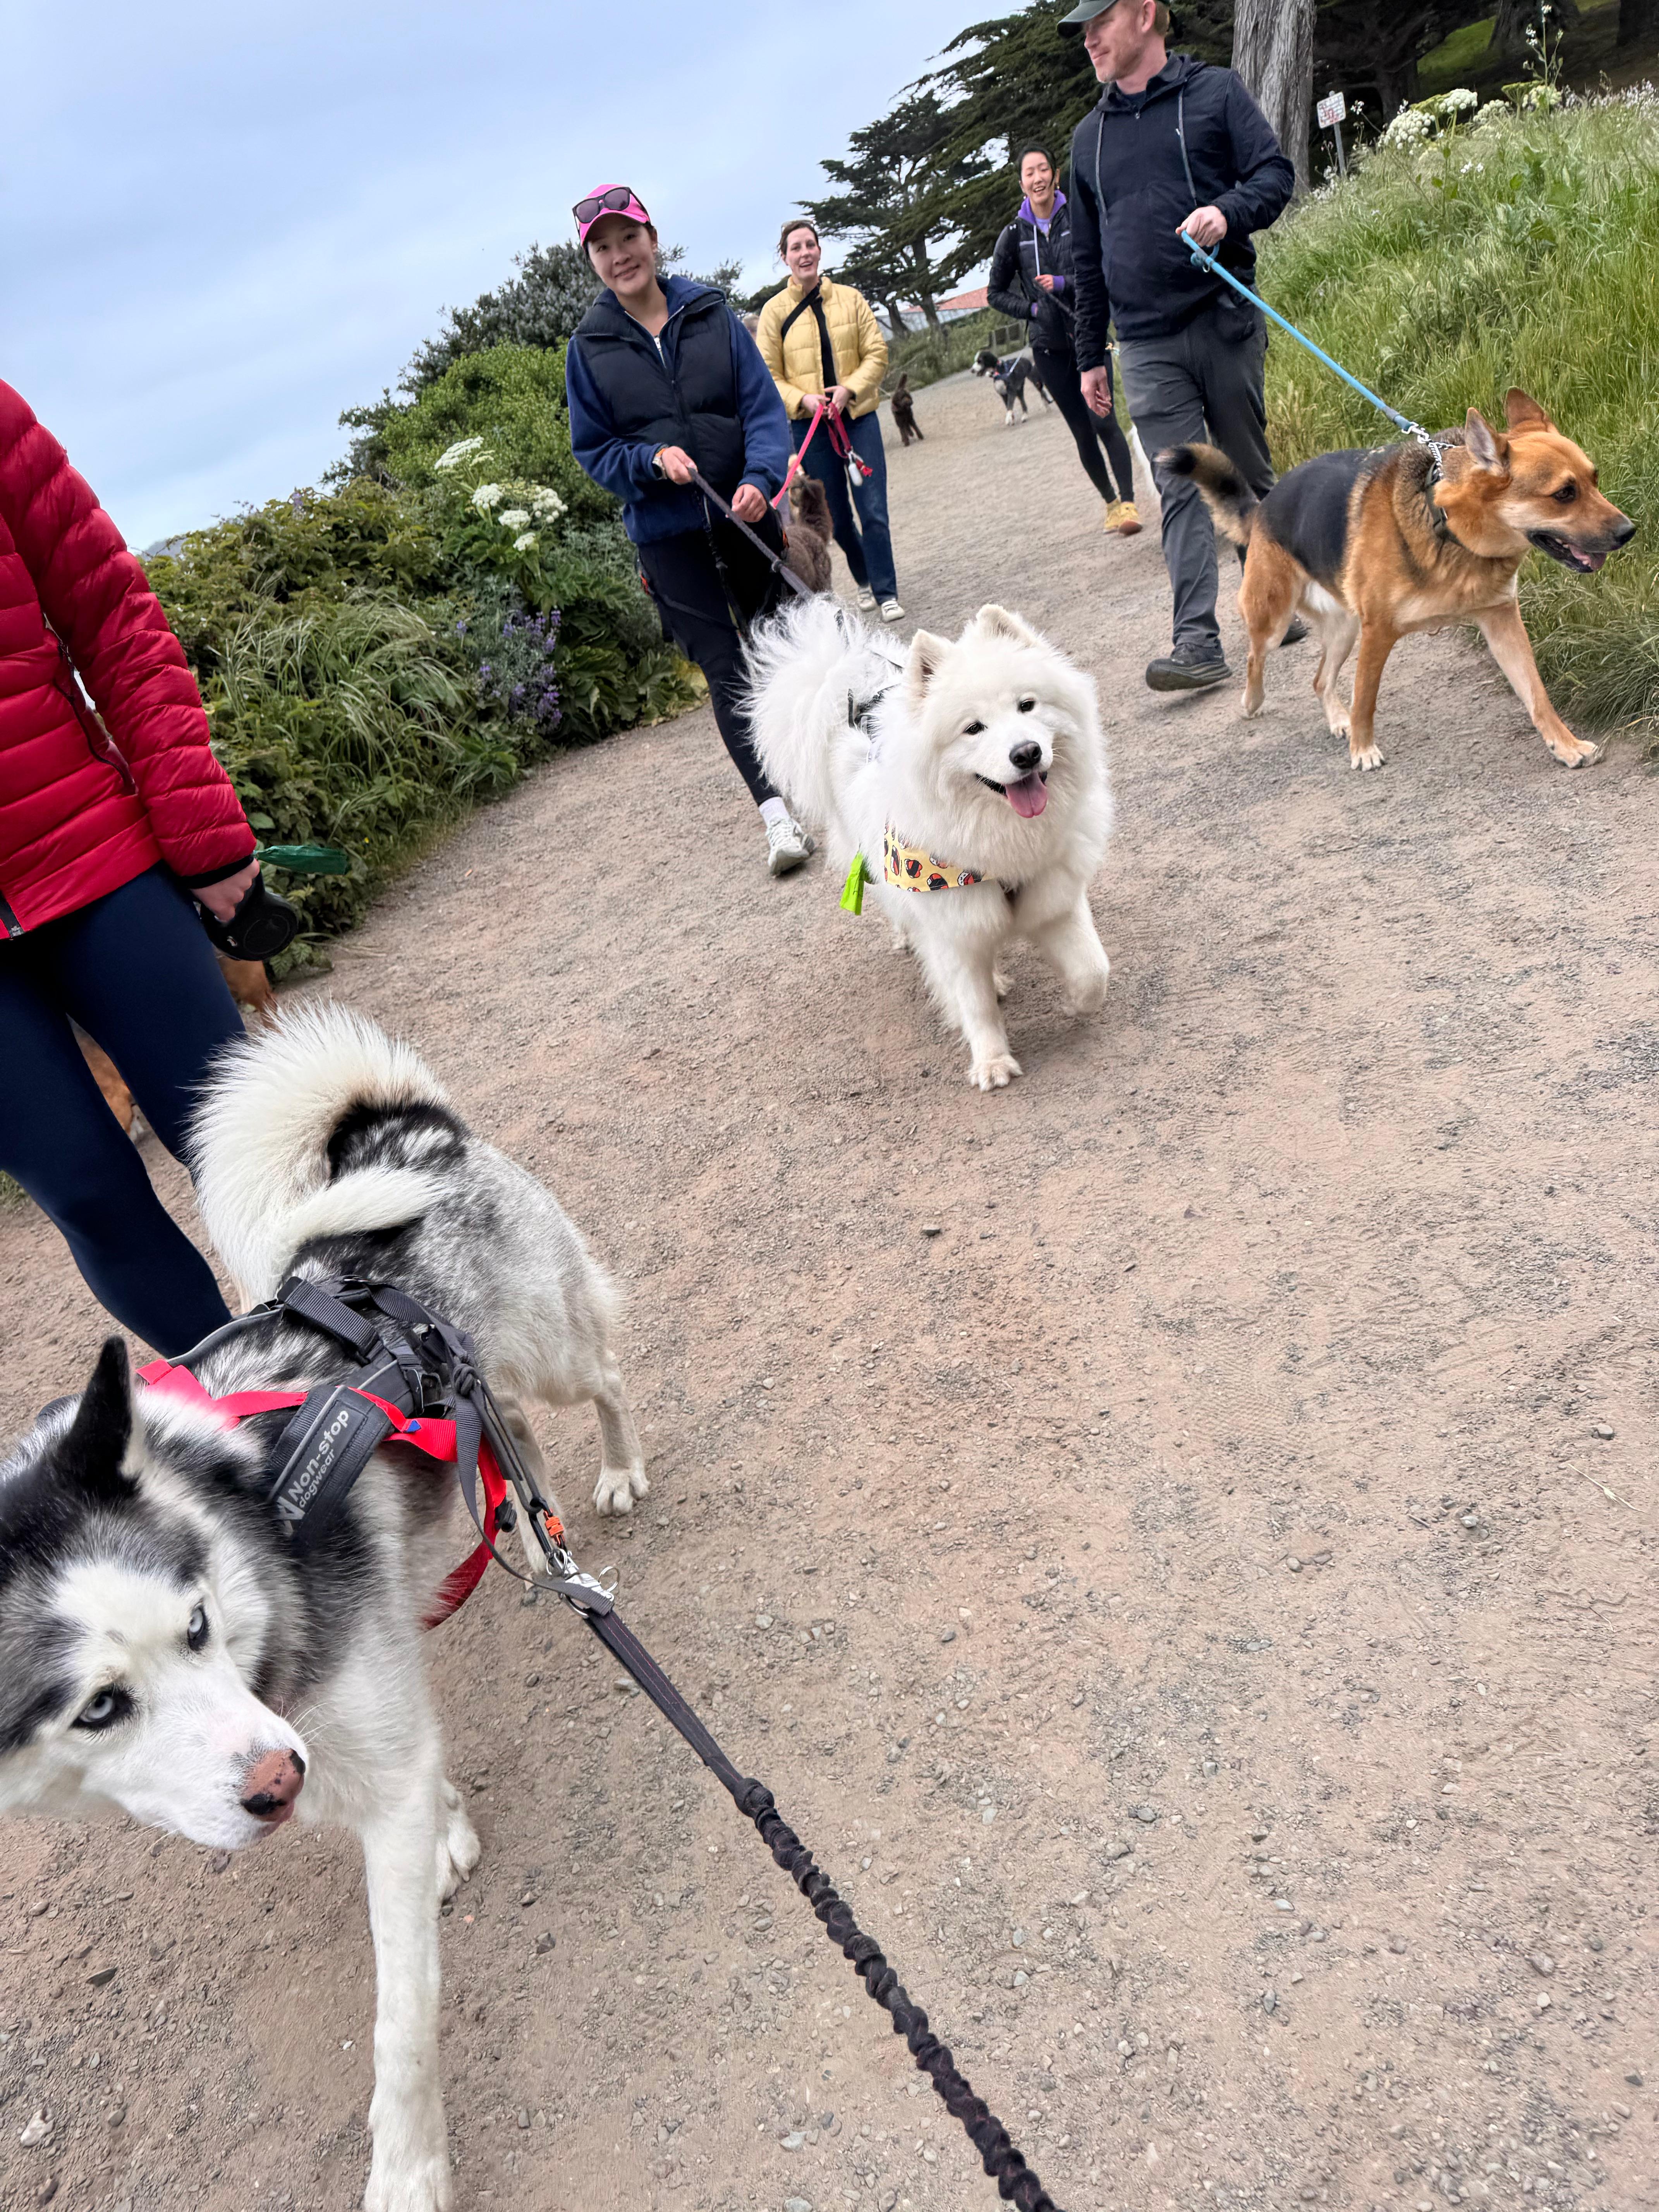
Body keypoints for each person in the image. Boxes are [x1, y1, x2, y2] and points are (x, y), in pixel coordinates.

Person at [0, 379, 261, 1353]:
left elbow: (113, 615)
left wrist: (204, 836)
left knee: (249, 1144)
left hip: (90, 852)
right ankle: (251, 1420)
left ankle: (378, 1375)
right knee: (90, 1197)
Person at [563, 185, 814, 876]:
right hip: (667, 539)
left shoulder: (711, 313)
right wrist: (646, 460)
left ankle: (826, 781)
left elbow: (762, 408)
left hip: (746, 517)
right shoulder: (587, 348)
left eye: (628, 239)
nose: (620, 257)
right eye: (603, 247)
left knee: (784, 652)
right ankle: (776, 815)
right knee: (726, 671)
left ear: (652, 237)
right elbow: (594, 452)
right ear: (591, 259)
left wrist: (761, 480)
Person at [1063, 0, 1305, 691]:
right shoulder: (1087, 140)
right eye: (1080, 31)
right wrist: (1089, 354)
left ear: (1143, 15)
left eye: (1097, 22)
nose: (1087, 39)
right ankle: (1196, 641)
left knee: (1246, 471)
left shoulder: (1216, 93)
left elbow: (1273, 176)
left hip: (1223, 319)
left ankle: (1278, 594)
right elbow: (1086, 259)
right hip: (1143, 342)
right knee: (1181, 482)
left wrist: (1224, 213)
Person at [987, 144, 1141, 537]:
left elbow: (1104, 269)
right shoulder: (1012, 235)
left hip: (1089, 334)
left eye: (1044, 170)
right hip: (1048, 347)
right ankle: (1109, 503)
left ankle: (1129, 504)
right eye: (1029, 173)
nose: (1037, 178)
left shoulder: (1081, 218)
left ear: (1056, 176)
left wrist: (1063, 284)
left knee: (1103, 419)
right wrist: (1033, 310)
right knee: (1081, 429)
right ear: (1021, 182)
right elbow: (995, 293)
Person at [756, 222, 904, 624]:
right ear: (784, 257)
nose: (804, 253)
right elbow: (767, 375)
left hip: (857, 418)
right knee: (834, 514)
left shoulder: (851, 300)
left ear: (820, 251)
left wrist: (849, 390)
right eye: (795, 248)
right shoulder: (774, 313)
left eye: (810, 245)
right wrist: (802, 398)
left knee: (874, 509)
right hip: (810, 426)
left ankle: (887, 590)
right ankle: (864, 580)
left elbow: (876, 353)